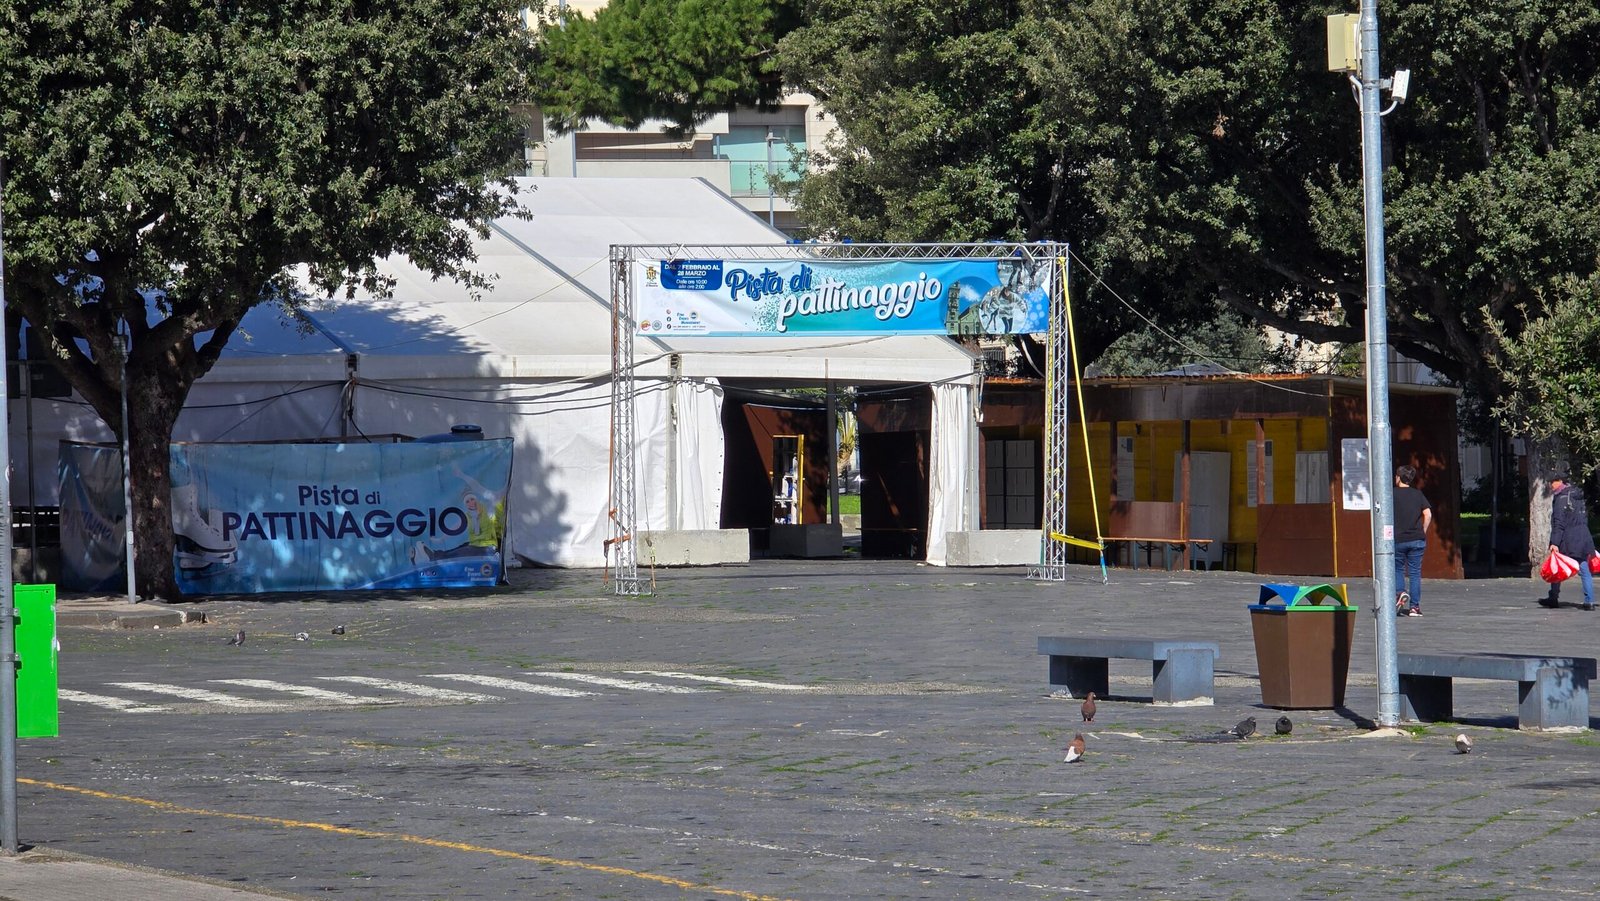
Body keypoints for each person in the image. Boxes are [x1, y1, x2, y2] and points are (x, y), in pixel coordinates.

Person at [1539, 471, 1596, 610]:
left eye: (1552, 482)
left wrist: (1555, 543)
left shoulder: (1561, 498)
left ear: (1559, 481)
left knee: (1557, 567)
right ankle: (1589, 601)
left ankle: (1553, 597)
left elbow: (1559, 523)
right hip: (1583, 536)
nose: (1550, 485)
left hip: (1569, 539)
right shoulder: (1577, 496)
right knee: (1584, 568)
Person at [1391, 465, 1432, 617]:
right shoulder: (1417, 494)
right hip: (1417, 539)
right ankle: (1414, 607)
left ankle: (1400, 593)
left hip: (1398, 539)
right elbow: (1428, 514)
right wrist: (1423, 531)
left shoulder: (1391, 494)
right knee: (1415, 573)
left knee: (1398, 569)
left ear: (1398, 477)